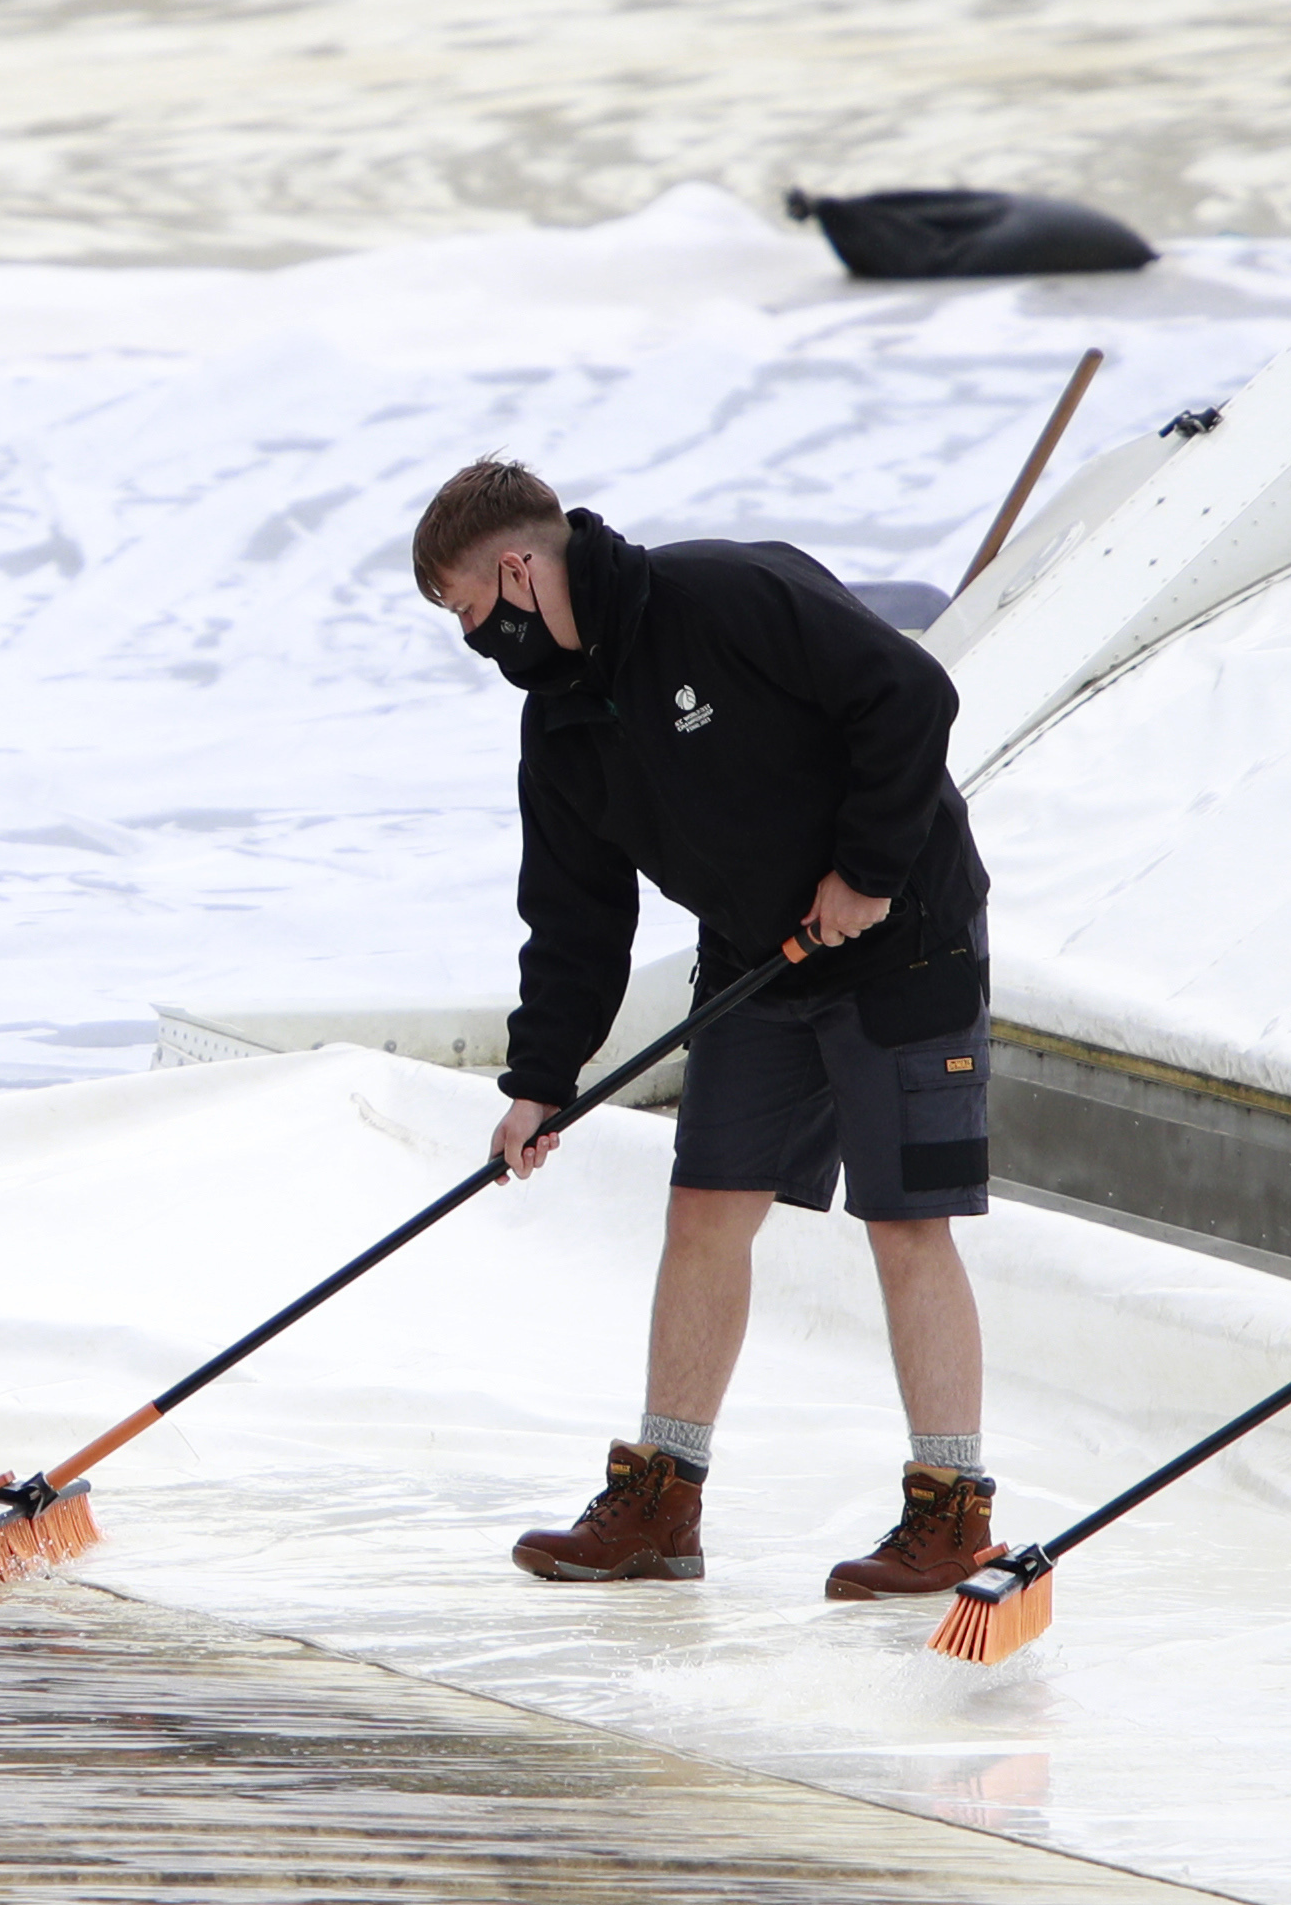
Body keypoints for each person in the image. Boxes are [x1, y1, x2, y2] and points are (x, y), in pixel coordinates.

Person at [412, 458, 1007, 1600]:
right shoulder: (561, 723)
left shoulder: (724, 595)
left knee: (906, 1222)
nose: (475, 640)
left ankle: (952, 1510)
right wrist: (539, 1082)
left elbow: (911, 696)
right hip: (759, 960)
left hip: (907, 934)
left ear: (520, 572)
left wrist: (868, 871)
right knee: (704, 1211)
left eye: (470, 610)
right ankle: (662, 1501)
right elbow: (575, 916)